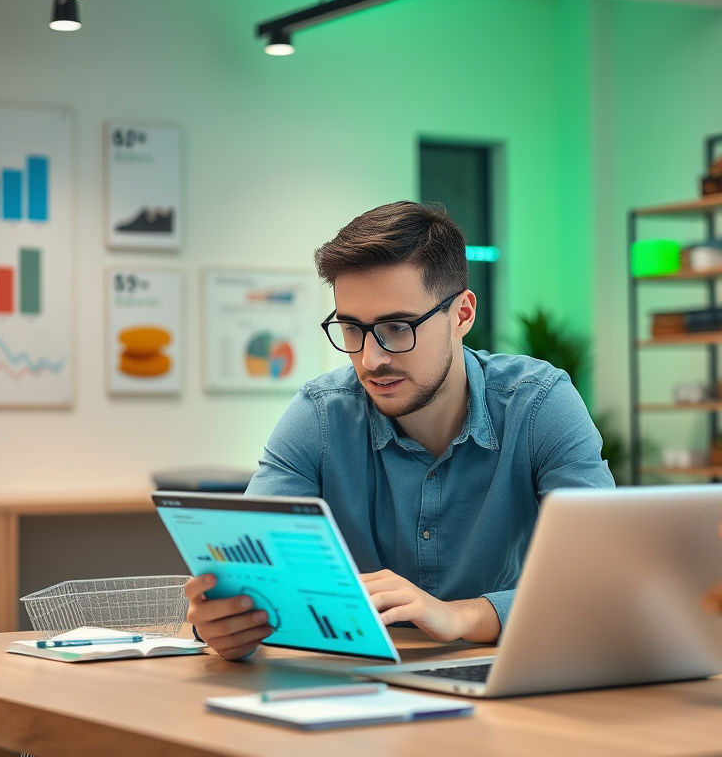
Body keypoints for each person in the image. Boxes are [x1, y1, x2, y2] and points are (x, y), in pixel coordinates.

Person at [186, 201, 614, 660]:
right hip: (361, 687)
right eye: (352, 329)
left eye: (397, 327)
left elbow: (604, 575)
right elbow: (247, 574)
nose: (372, 359)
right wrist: (223, 622)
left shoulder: (539, 403)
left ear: (462, 315)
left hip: (508, 676)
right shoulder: (319, 415)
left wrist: (463, 616)